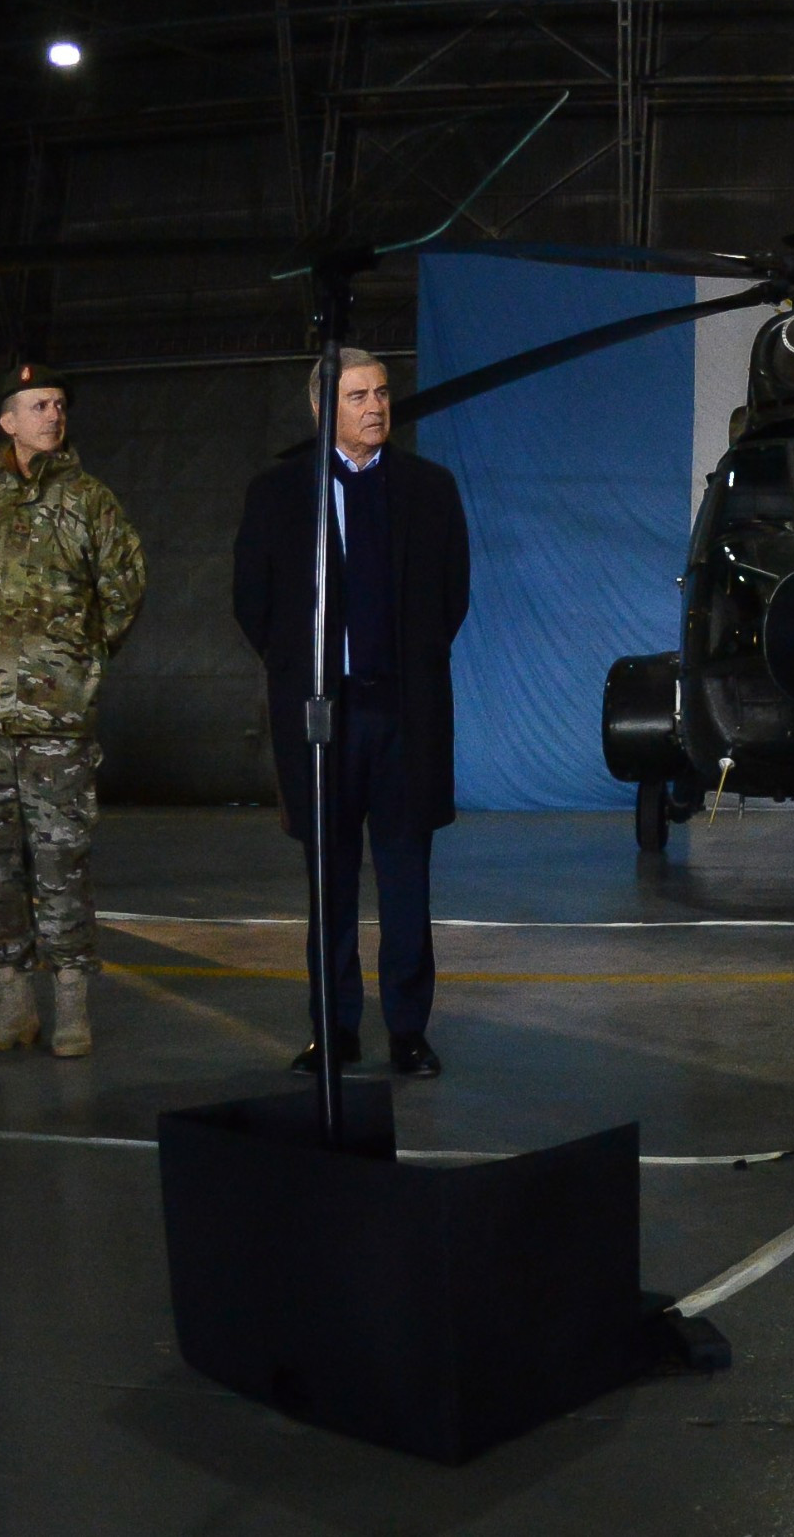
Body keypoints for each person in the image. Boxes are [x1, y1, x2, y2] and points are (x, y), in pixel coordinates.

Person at [233, 345, 472, 1078]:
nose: (375, 407)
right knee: (329, 882)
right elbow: (253, 602)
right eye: (358, 396)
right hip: (321, 721)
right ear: (321, 409)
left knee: (406, 882)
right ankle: (334, 1030)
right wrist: (302, 672)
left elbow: (451, 597)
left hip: (403, 716)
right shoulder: (278, 493)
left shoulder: (429, 489)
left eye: (382, 393)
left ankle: (408, 1030)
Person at [0, 363, 147, 1058]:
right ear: (9, 421)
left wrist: (79, 659)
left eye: (59, 404)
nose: (54, 415)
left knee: (62, 863)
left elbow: (125, 586)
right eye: (39, 405)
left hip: (57, 721)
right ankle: (13, 1005)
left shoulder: (90, 500)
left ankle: (70, 1008)